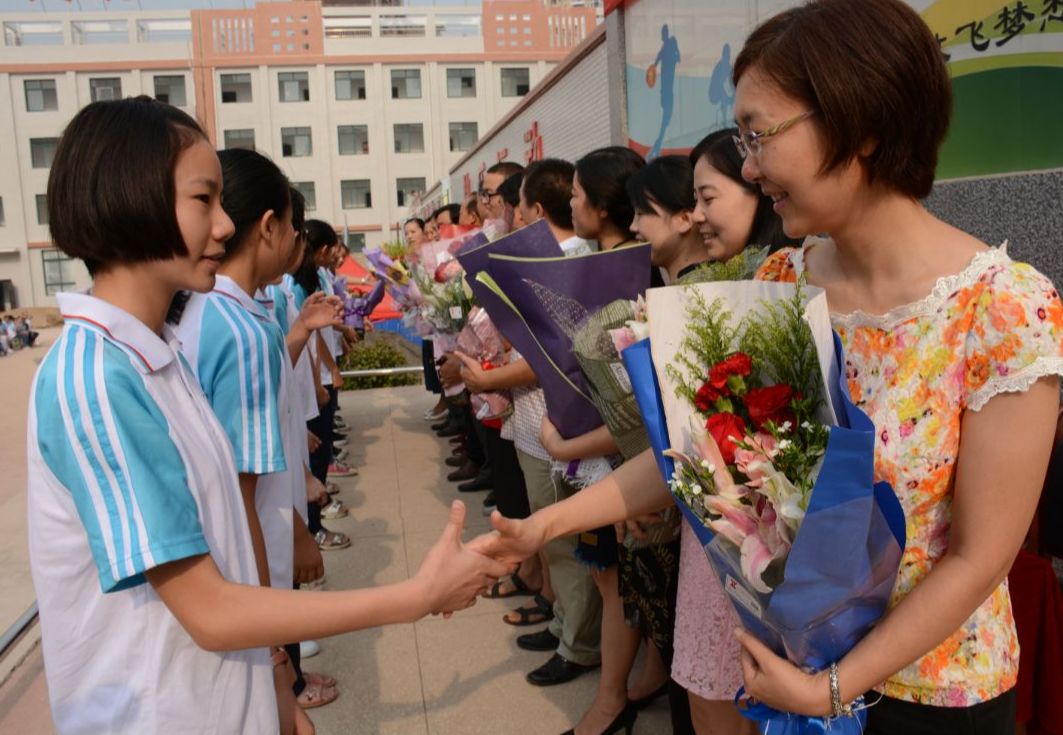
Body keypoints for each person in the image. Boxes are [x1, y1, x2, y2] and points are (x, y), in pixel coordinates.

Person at [476, 1, 1063, 732]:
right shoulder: (783, 279)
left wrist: (834, 688)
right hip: (791, 677)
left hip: (929, 694)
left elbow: (979, 557)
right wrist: (544, 524)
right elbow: (696, 460)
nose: (749, 166)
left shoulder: (1004, 308)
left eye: (758, 136)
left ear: (864, 124)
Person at [28, 96, 508, 735]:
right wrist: (415, 598)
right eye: (205, 201)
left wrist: (275, 685)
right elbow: (208, 609)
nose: (226, 227)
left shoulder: (156, 353)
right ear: (130, 198)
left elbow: (223, 540)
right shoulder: (97, 379)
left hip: (222, 700)